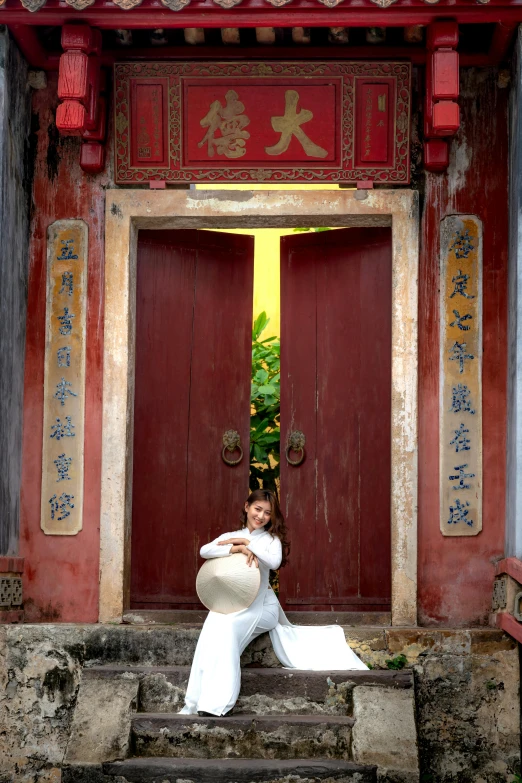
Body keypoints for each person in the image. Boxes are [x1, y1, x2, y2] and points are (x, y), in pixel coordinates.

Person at [179, 488, 368, 717]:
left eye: (267, 513)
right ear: (246, 506)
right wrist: (236, 546)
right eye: (257, 509)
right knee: (212, 624)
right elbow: (205, 551)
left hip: (262, 607)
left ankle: (218, 704)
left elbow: (274, 561)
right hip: (233, 603)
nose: (260, 516)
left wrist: (248, 544)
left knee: (227, 629)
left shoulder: (271, 540)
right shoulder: (232, 535)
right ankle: (196, 700)